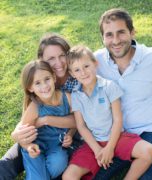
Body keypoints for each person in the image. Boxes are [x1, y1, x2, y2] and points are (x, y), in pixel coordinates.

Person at [0, 33, 128, 180]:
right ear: (42, 60)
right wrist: (17, 133)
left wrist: (47, 119)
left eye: (62, 56)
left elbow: (80, 121)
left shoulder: (79, 76)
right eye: (51, 59)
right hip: (41, 137)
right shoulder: (40, 79)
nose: (59, 62)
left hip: (71, 137)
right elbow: (30, 115)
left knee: (59, 164)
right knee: (9, 162)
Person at [93, 8, 152, 179]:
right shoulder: (97, 62)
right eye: (109, 35)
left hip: (150, 128)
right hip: (116, 133)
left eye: (121, 32)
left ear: (132, 32)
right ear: (103, 38)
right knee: (88, 173)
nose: (116, 41)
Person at [62, 45, 152, 180]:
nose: (83, 72)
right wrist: (97, 150)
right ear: (72, 74)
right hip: (93, 142)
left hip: (117, 138)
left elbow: (118, 120)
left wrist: (110, 148)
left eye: (86, 66)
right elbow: (81, 126)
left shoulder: (109, 86)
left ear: (95, 63)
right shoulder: (76, 95)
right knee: (68, 176)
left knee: (148, 151)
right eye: (77, 70)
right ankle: (99, 160)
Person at [19, 60, 74, 179]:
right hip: (36, 146)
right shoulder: (34, 107)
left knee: (60, 163)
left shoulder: (67, 98)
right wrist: (29, 147)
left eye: (47, 79)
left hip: (56, 146)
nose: (44, 86)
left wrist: (70, 134)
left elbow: (76, 122)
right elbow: (23, 137)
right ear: (30, 88)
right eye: (37, 83)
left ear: (54, 77)